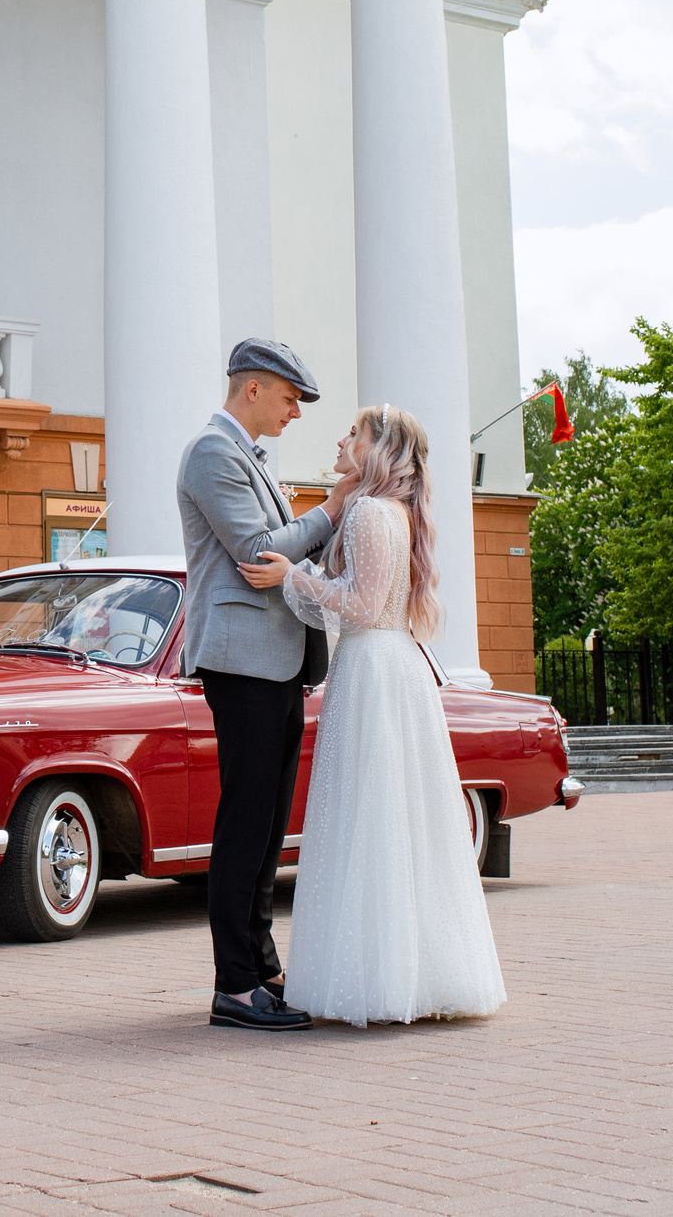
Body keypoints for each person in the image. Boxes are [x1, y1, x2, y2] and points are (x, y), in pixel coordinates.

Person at [239, 404, 506, 1026]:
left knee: (367, 812)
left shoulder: (366, 512)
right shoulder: (396, 512)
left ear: (377, 449)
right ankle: (413, 971)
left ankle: (376, 981)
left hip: (371, 668)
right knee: (398, 817)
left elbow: (357, 606)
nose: (340, 438)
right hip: (395, 666)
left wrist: (291, 577)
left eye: (352, 432)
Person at [176, 339, 352, 1032]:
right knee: (246, 822)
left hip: (274, 661)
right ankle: (236, 983)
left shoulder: (246, 456)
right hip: (242, 661)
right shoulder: (211, 452)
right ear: (254, 388)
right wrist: (333, 507)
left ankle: (263, 964)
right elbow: (259, 552)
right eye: (289, 399)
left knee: (269, 822)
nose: (296, 413)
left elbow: (280, 551)